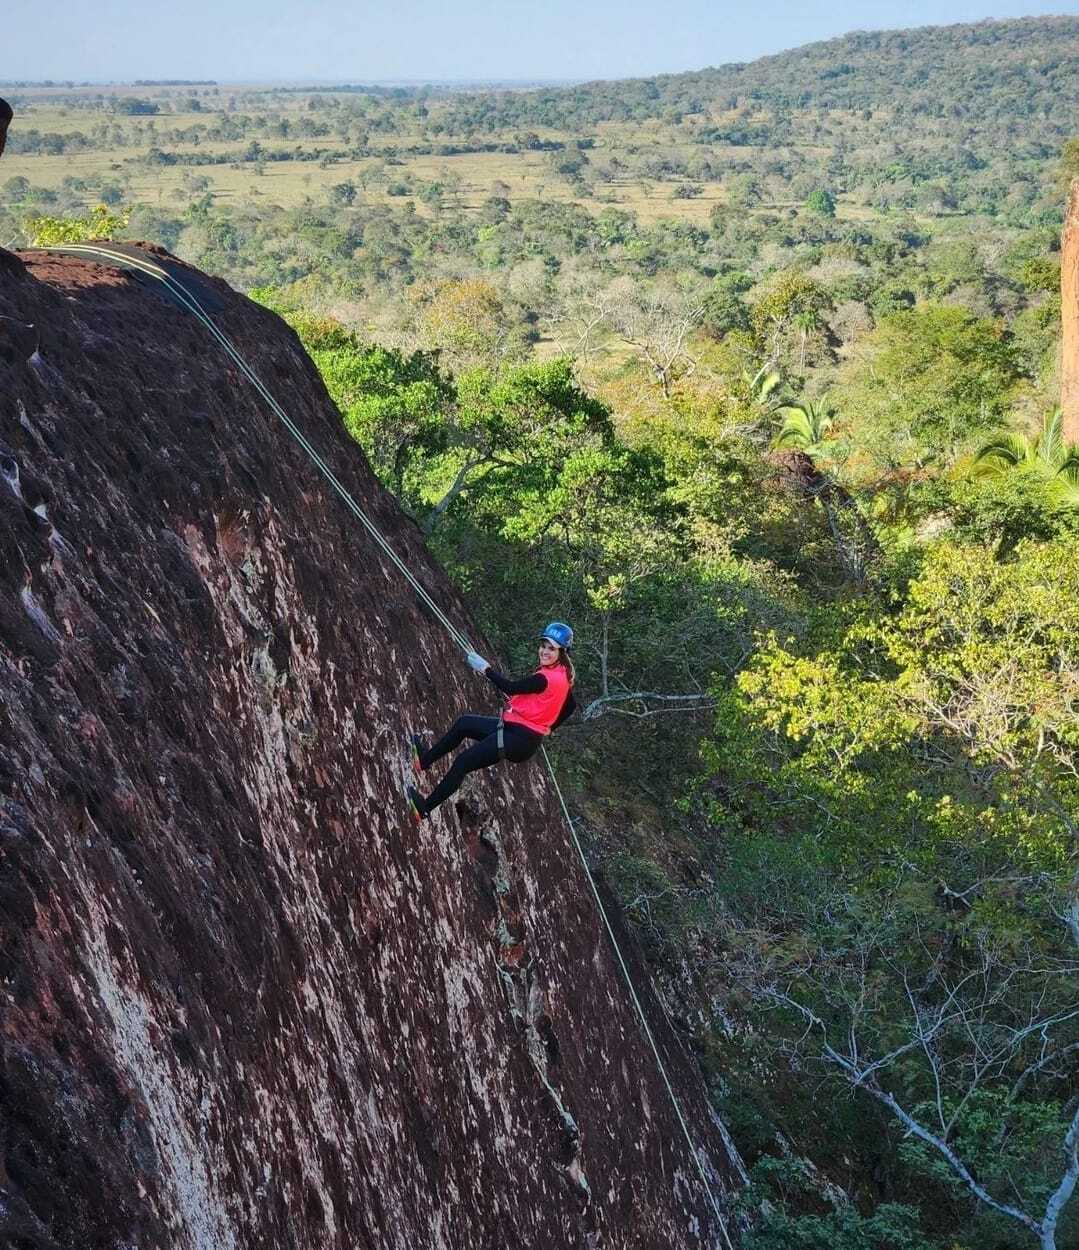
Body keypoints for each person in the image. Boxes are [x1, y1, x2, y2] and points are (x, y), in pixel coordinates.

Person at [407, 622, 577, 822]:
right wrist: (547, 725)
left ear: (562, 652)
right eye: (543, 645)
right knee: (465, 724)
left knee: (463, 762)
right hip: (517, 731)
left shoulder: (545, 678)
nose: (545, 651)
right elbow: (570, 706)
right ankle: (424, 761)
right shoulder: (563, 674)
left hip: (518, 739)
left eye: (551, 648)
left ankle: (424, 809)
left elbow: (510, 687)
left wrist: (485, 668)